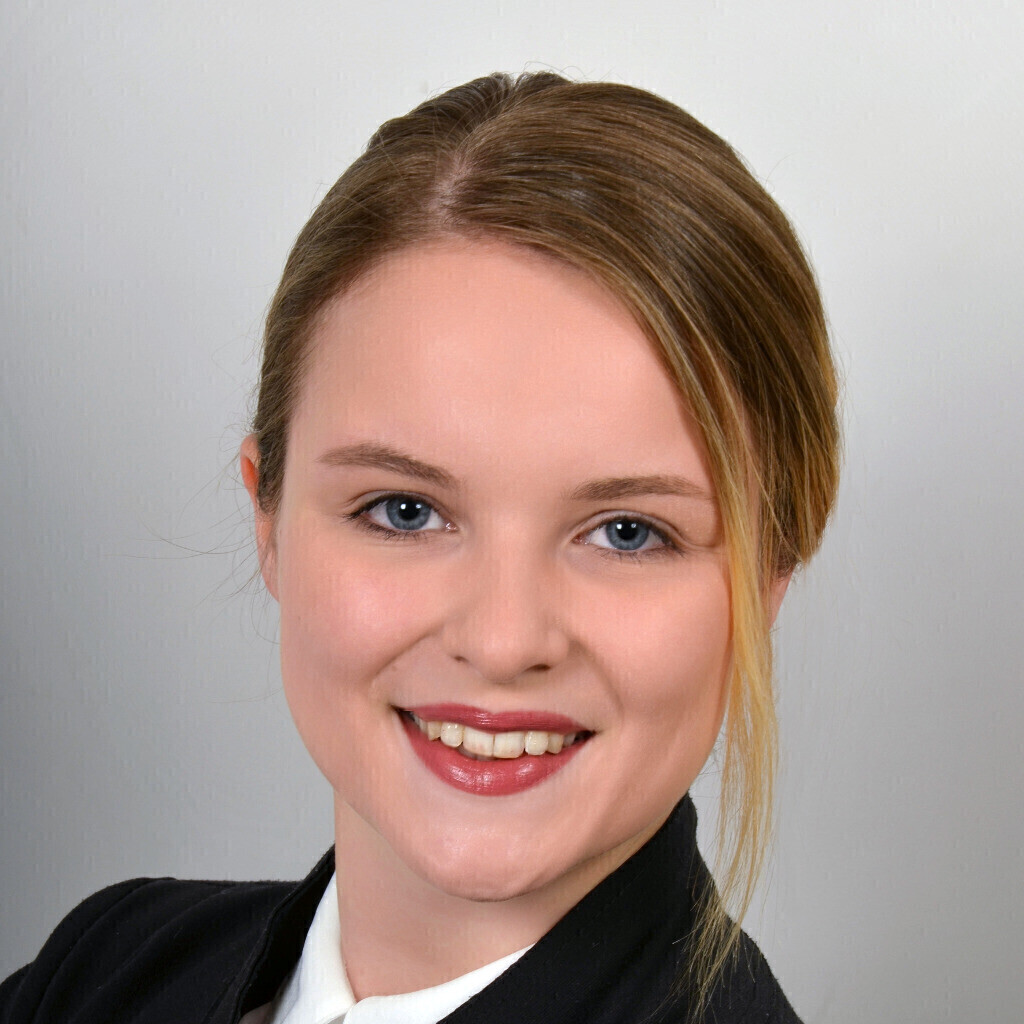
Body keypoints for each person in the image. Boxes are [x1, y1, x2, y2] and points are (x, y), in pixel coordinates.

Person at [0, 72, 839, 1024]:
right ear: (268, 516)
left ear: (770, 577)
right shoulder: (104, 971)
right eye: (404, 511)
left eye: (628, 532)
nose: (502, 640)